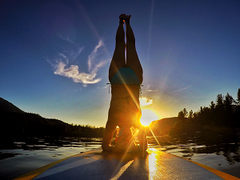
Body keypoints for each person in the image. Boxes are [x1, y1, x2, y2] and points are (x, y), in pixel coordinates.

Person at [102, 14, 147, 153]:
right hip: (134, 79)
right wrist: (139, 148)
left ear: (116, 137)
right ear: (133, 139)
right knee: (131, 45)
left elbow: (105, 146)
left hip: (117, 79)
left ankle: (122, 23)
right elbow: (144, 146)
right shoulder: (136, 124)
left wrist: (111, 149)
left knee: (120, 45)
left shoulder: (113, 122)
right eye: (128, 139)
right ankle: (127, 22)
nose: (125, 136)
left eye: (121, 138)